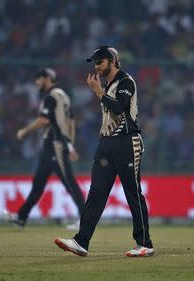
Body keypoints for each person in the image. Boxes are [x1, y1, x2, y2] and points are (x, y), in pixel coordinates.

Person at [54, 45, 154, 257]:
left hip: (127, 142)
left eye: (99, 62)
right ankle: (81, 241)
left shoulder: (126, 81)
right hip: (106, 144)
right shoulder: (108, 85)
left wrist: (98, 92)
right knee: (96, 193)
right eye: (95, 63)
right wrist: (101, 91)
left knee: (133, 193)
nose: (96, 67)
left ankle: (145, 243)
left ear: (112, 61)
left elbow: (120, 108)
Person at [2, 68, 85, 231]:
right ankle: (21, 217)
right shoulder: (63, 96)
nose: (36, 83)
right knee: (38, 184)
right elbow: (71, 121)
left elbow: (43, 120)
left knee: (69, 182)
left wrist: (24, 131)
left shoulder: (50, 96)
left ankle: (86, 218)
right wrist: (71, 143)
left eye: (39, 79)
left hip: (56, 145)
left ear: (47, 78)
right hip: (51, 147)